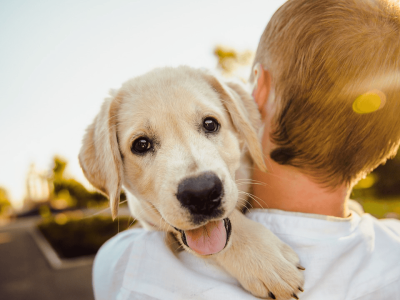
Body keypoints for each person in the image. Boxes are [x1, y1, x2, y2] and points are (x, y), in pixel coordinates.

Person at [93, 0, 400, 299]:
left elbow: (109, 262)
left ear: (256, 96)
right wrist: (235, 236)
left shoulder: (129, 270)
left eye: (210, 126)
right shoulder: (391, 250)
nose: (197, 180)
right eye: (143, 145)